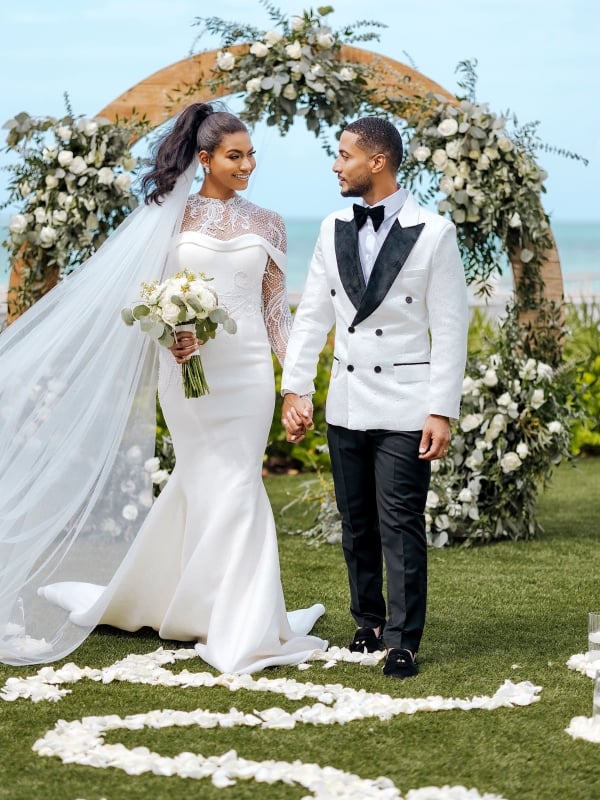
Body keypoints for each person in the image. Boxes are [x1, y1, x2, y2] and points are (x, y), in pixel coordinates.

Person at [0, 102, 326, 672]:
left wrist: (295, 384)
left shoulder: (270, 222)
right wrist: (169, 334)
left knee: (237, 482)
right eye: (235, 155)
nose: (248, 164)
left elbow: (277, 312)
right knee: (204, 479)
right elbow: (143, 298)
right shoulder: (170, 218)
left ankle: (230, 615)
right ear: (205, 160)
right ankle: (211, 609)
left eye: (252, 154)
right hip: (187, 375)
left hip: (248, 375)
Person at [281, 116, 468, 679]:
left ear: (377, 162)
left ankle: (402, 639)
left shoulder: (433, 232)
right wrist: (296, 387)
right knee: (356, 520)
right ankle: (366, 623)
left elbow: (451, 327)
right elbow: (313, 314)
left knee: (400, 520)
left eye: (343, 155)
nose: (336, 165)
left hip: (407, 402)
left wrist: (442, 409)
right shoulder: (331, 225)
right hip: (347, 398)